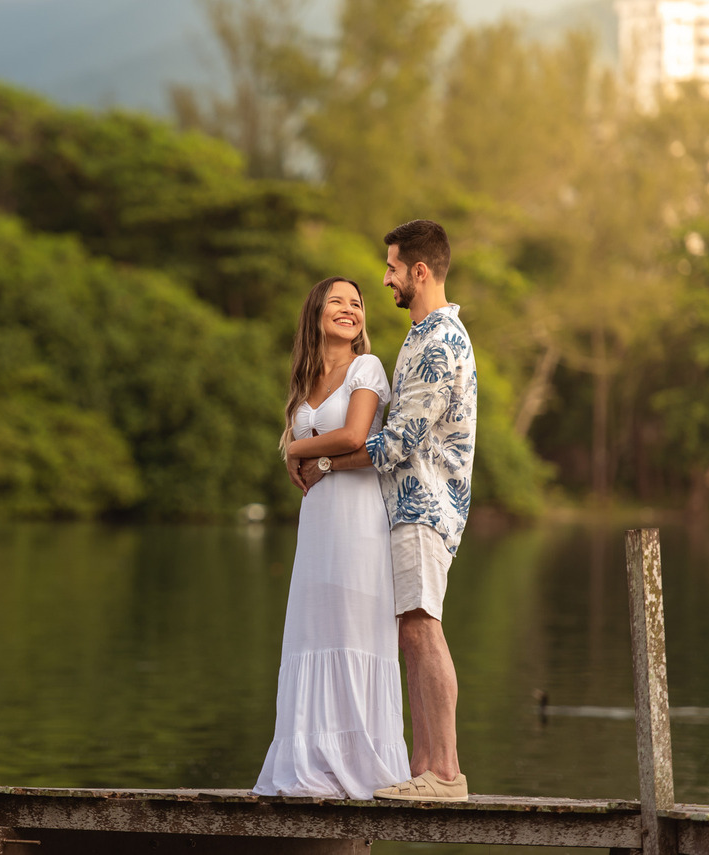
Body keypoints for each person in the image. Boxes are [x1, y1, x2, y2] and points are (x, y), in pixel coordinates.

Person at [296, 220, 476, 802]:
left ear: (419, 271)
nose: (387, 278)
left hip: (425, 504)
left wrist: (321, 464)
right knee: (412, 632)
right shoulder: (423, 336)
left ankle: (444, 772)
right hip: (409, 504)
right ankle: (424, 767)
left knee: (423, 629)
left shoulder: (439, 341)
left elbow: (398, 444)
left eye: (393, 267)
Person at [252, 276, 411, 799]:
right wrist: (303, 455)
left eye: (358, 303)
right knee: (314, 631)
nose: (350, 309)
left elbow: (355, 436)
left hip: (359, 518)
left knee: (355, 628)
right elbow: (312, 440)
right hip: (317, 521)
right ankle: (311, 762)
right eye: (337, 301)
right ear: (316, 313)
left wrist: (298, 453)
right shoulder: (304, 382)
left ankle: (363, 763)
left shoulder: (366, 367)